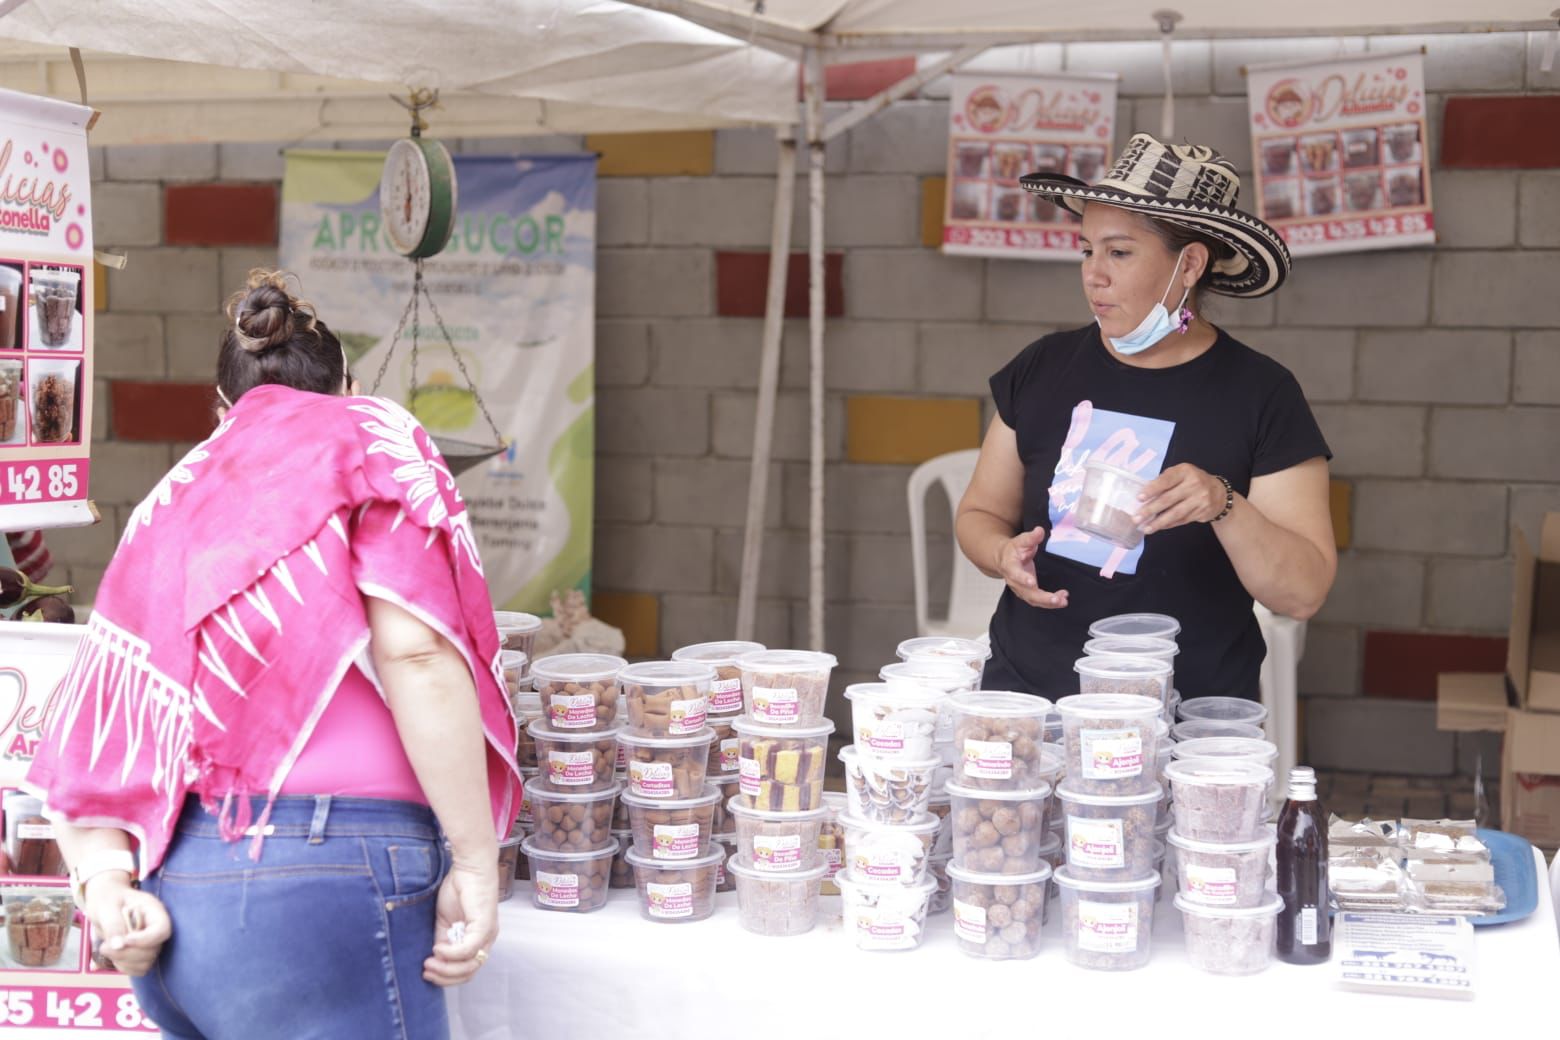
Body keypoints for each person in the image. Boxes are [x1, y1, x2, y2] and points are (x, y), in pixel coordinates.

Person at [23, 271, 522, 1040]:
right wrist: (477, 865)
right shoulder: (366, 441)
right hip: (333, 879)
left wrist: (103, 880)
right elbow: (417, 654)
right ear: (348, 387)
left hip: (181, 886)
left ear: (221, 410)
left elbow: (98, 717)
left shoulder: (173, 501)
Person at [956, 134, 1336, 700]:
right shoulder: (1043, 368)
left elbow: (1302, 592)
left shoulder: (1262, 393)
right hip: (1032, 697)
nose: (1093, 274)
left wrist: (1223, 503)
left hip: (1188, 715)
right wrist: (1001, 555)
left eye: (1119, 252)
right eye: (1087, 251)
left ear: (1190, 265)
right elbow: (981, 512)